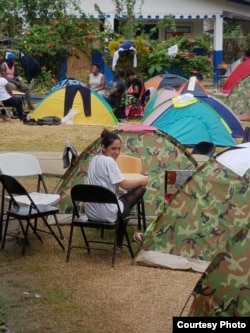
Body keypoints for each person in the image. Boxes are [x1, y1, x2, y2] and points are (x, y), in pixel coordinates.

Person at [85, 129, 148, 250]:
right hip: (108, 214)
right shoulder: (109, 161)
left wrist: (115, 191)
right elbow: (124, 184)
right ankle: (118, 243)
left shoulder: (94, 160)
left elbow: (99, 184)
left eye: (119, 149)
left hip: (91, 213)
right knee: (140, 189)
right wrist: (142, 180)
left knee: (124, 195)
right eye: (113, 149)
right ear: (104, 147)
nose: (117, 152)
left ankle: (119, 242)